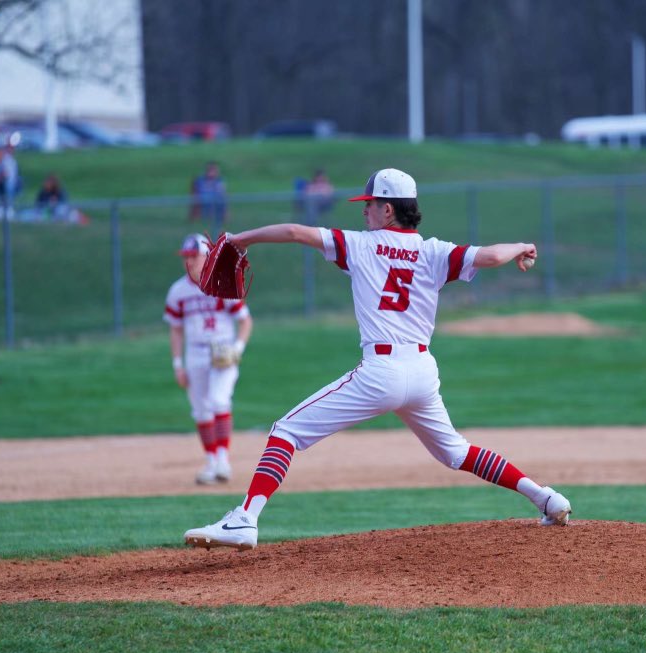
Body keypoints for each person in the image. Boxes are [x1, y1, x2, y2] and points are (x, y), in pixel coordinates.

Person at [183, 168, 570, 551]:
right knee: (456, 451)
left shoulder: (359, 245)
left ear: (389, 210)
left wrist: (239, 239)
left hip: (381, 373)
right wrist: (520, 246)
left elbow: (295, 232)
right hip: (421, 373)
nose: (364, 210)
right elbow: (489, 256)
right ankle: (545, 498)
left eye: (370, 204)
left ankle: (245, 519)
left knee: (285, 431)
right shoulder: (434, 251)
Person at [165, 233, 254, 485]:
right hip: (194, 353)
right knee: (201, 410)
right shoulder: (178, 291)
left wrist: (237, 348)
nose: (189, 261)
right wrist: (177, 364)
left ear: (208, 257)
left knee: (218, 401)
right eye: (186, 256)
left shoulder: (223, 284)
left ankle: (223, 460)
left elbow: (245, 320)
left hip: (222, 352)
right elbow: (175, 329)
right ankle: (212, 461)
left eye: (194, 256)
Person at [189, 160, 227, 227]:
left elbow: (222, 193)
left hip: (215, 201)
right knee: (198, 203)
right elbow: (195, 192)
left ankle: (221, 221)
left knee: (221, 203)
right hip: (202, 200)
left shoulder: (219, 181)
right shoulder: (200, 180)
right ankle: (195, 222)